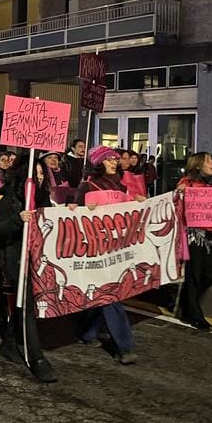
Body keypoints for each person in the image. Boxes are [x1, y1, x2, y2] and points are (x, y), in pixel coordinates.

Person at [0, 152, 56, 383]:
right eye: (34, 174)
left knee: (23, 306)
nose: (38, 178)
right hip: (16, 259)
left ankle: (9, 341)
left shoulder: (44, 197)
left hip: (38, 260)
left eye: (41, 174)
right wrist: (19, 219)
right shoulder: (9, 196)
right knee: (27, 306)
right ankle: (37, 358)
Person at [75, 146, 138, 364]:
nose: (114, 162)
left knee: (102, 296)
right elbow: (71, 213)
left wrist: (138, 204)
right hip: (94, 251)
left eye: (115, 159)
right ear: (99, 163)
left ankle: (87, 331)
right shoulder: (87, 186)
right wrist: (84, 209)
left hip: (116, 249)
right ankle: (124, 346)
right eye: (110, 159)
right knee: (111, 296)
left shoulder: (121, 186)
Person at [176, 153, 212, 331]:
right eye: (209, 160)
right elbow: (177, 202)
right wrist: (181, 193)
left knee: (210, 273)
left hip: (208, 237)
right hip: (193, 237)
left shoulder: (210, 184)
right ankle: (195, 315)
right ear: (199, 165)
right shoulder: (187, 184)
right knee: (194, 276)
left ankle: (187, 305)